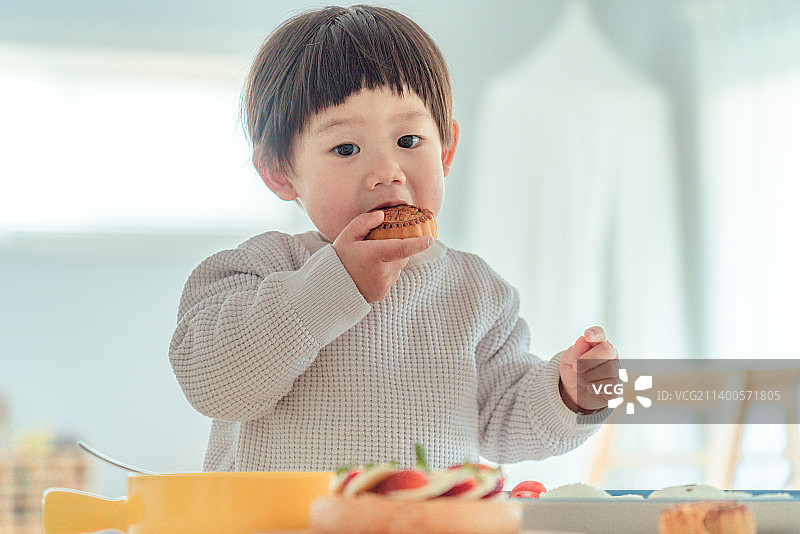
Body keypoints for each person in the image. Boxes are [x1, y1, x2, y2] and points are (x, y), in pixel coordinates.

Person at [169, 4, 620, 472]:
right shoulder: (257, 269)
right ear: (279, 171)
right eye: (345, 148)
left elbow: (505, 420)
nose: (387, 171)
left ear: (446, 151)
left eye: (408, 141)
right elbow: (215, 386)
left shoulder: (476, 291)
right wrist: (334, 285)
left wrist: (572, 395)